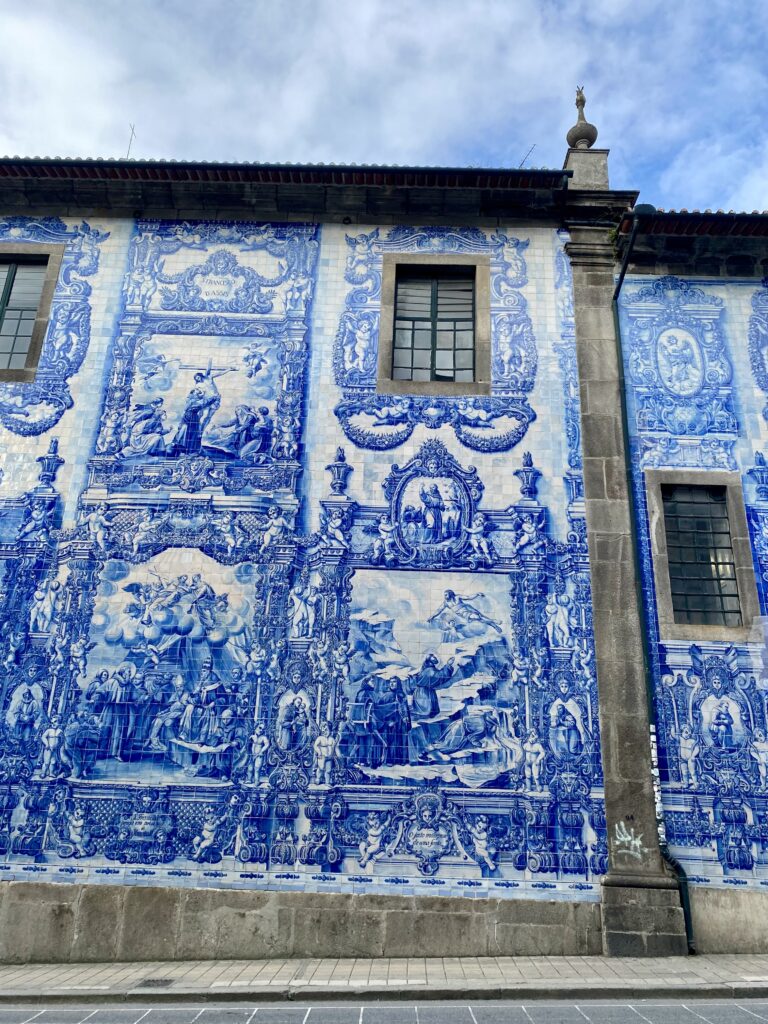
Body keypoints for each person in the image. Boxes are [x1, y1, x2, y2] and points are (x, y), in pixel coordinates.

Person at [405, 653, 455, 721]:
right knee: (425, 714)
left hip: (424, 692)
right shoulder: (429, 671)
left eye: (435, 656)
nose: (435, 657)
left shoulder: (427, 669)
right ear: (429, 660)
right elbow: (440, 676)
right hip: (424, 694)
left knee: (429, 713)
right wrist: (448, 665)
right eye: (433, 657)